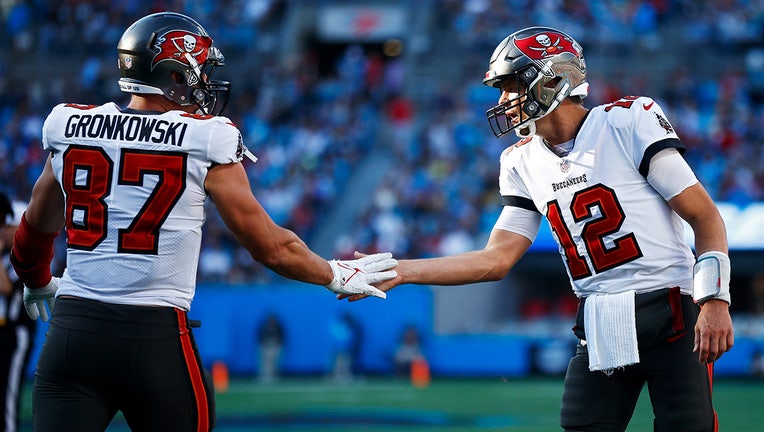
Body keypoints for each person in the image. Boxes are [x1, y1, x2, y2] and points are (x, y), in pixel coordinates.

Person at [11, 11, 396, 432]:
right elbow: (271, 247)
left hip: (73, 334)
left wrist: (36, 280)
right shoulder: (204, 136)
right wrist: (333, 274)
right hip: (153, 339)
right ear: (172, 73)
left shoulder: (69, 125)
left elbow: (33, 230)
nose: (204, 82)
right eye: (198, 70)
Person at [343, 26, 734, 432]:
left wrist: (714, 301)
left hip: (670, 307)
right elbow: (495, 260)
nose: (502, 101)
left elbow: (705, 218)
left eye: (510, 86)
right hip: (601, 316)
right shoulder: (520, 162)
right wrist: (404, 271)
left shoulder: (627, 122)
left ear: (551, 79)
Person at [0, 194, 35, 432]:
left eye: (8, 227)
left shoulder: (25, 255)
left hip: (16, 332)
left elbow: (6, 287)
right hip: (5, 329)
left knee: (8, 398)